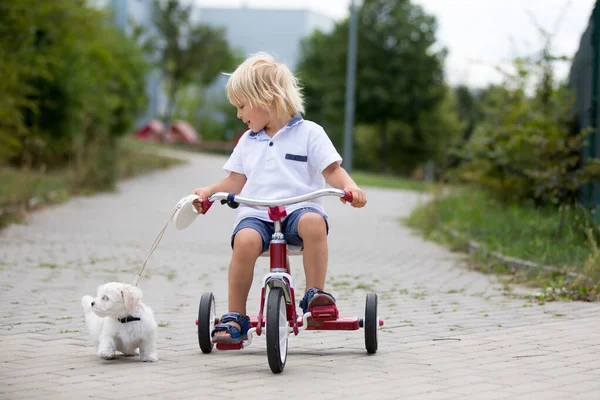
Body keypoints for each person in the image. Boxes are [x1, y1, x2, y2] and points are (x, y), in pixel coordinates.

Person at [192, 52, 367, 344]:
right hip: (257, 213)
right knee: (245, 241)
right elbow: (235, 180)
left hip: (299, 210)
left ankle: (315, 296)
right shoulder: (248, 141)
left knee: (314, 223)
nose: (239, 114)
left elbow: (332, 169)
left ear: (266, 98)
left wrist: (351, 189)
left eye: (242, 106)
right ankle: (235, 315)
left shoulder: (310, 133)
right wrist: (209, 191)